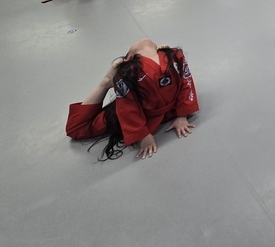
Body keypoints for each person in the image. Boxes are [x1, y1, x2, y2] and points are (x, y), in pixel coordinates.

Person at [65, 38, 198, 160]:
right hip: (154, 109)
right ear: (129, 59)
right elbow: (186, 83)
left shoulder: (170, 58)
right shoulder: (173, 57)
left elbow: (76, 127)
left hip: (153, 111)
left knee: (78, 127)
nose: (143, 41)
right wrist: (181, 115)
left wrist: (181, 116)